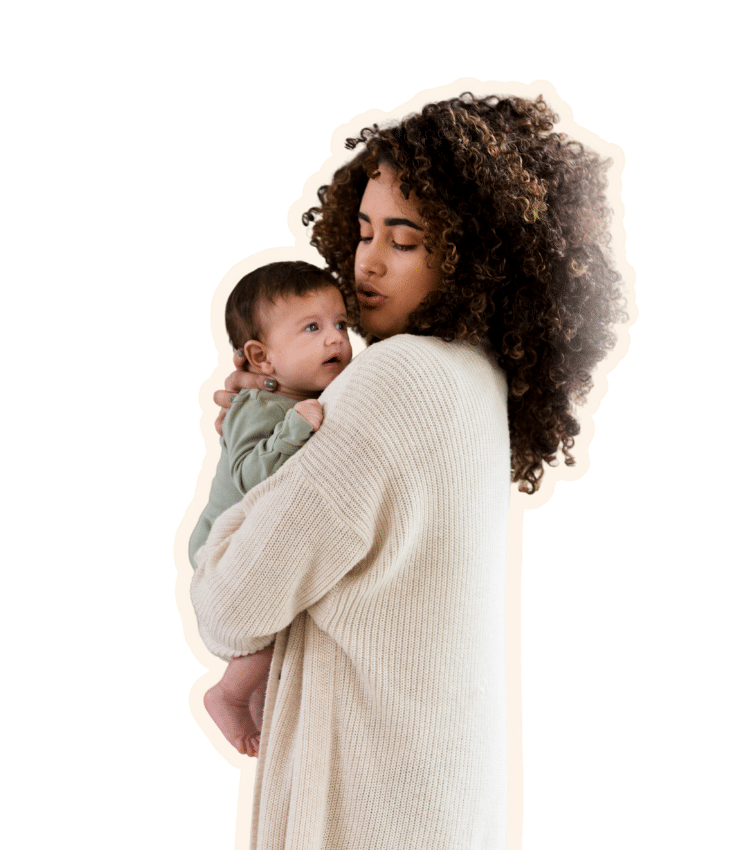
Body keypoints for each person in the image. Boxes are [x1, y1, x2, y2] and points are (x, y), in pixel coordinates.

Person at [193, 94, 625, 850]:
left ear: (475, 252)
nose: (366, 262)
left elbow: (230, 605)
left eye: (405, 239)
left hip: (365, 821)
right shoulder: (475, 381)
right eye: (362, 232)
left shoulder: (398, 378)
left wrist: (237, 452)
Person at [190, 260, 352, 758]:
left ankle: (261, 724)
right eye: (312, 328)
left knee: (281, 644)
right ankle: (228, 693)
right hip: (225, 537)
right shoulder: (258, 407)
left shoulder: (308, 393)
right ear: (261, 357)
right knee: (270, 619)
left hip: (255, 534)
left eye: (340, 324)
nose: (336, 340)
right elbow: (247, 476)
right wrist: (294, 428)